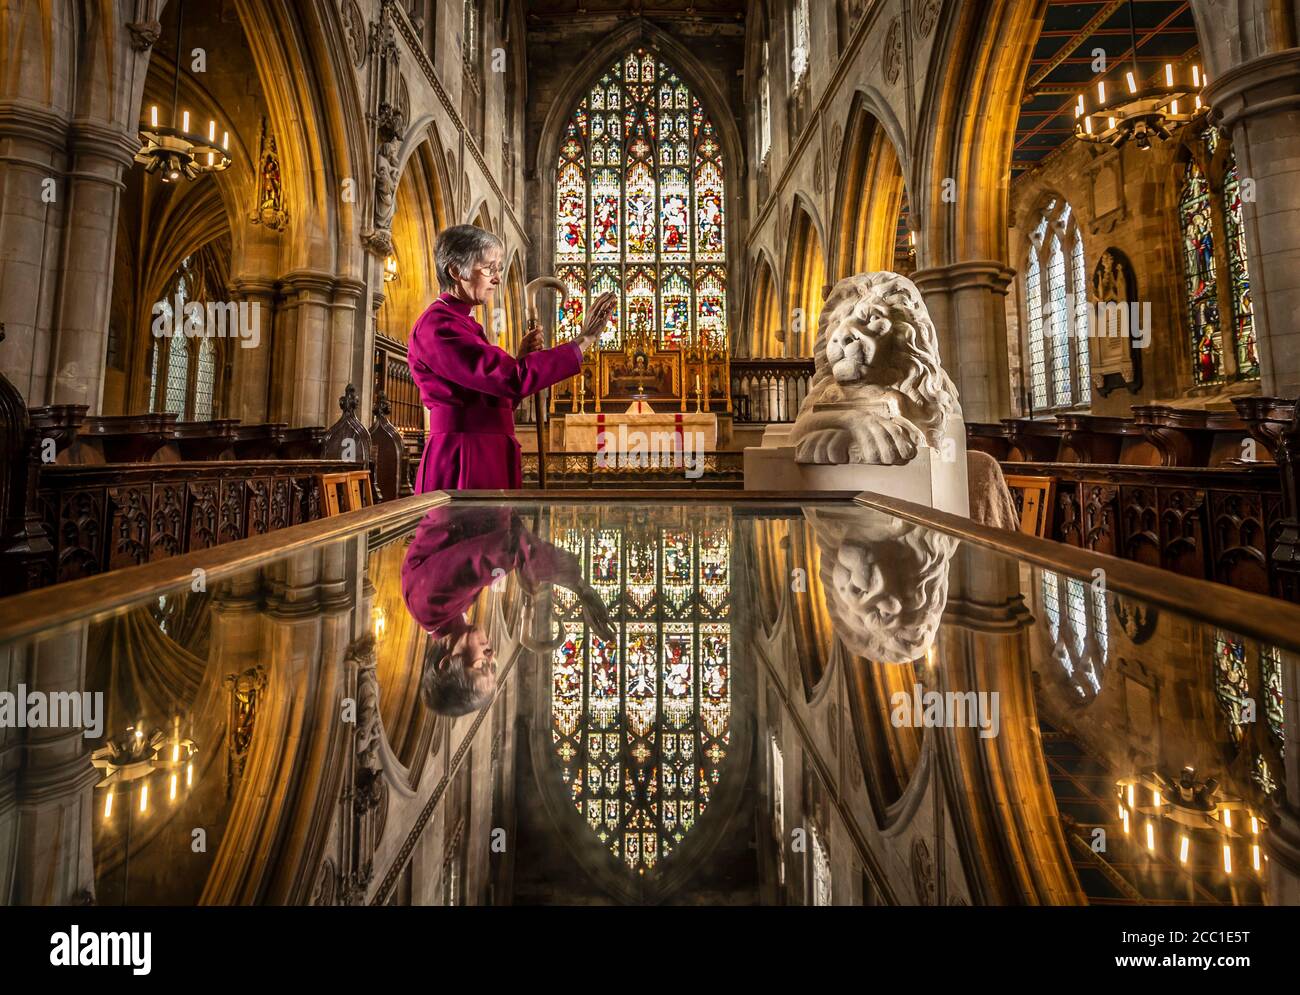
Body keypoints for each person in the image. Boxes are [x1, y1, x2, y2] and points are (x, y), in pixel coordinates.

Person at [408, 224, 617, 490]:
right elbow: (510, 380)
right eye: (488, 269)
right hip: (464, 458)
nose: (496, 279)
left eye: (499, 269)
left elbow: (494, 396)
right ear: (454, 270)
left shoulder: (462, 322)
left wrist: (521, 358)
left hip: (484, 451)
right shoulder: (438, 325)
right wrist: (583, 340)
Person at [401, 504, 614, 716]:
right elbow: (508, 538)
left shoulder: (430, 602)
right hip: (480, 492)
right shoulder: (450, 612)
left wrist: (578, 583)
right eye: (492, 667)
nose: (491, 655)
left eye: (482, 666)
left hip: (468, 481)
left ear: (447, 663)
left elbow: (507, 546)